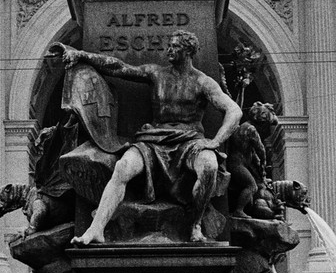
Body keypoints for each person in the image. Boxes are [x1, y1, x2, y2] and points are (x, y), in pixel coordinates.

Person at [58, 29, 242, 245]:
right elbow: (119, 68)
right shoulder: (157, 74)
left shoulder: (203, 82)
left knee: (210, 166)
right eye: (169, 45)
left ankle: (195, 225)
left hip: (189, 142)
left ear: (188, 51)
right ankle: (96, 229)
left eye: (175, 46)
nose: (169, 50)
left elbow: (234, 111)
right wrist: (83, 55)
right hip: (153, 141)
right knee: (123, 167)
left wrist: (215, 142)